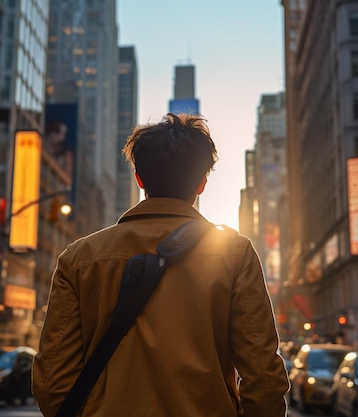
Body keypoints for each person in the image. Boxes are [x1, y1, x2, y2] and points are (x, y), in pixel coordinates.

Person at [32, 113, 290, 417]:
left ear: (140, 179)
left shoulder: (80, 258)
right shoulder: (235, 254)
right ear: (201, 183)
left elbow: (51, 382)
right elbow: (263, 377)